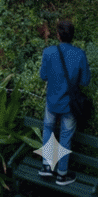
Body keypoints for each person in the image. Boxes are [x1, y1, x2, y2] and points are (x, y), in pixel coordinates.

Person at [39, 18, 91, 186]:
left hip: (52, 102)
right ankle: (62, 175)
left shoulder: (48, 52)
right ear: (72, 35)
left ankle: (47, 166)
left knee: (48, 129)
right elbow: (85, 81)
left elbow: (43, 76)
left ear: (58, 35)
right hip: (69, 105)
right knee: (65, 136)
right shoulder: (80, 54)